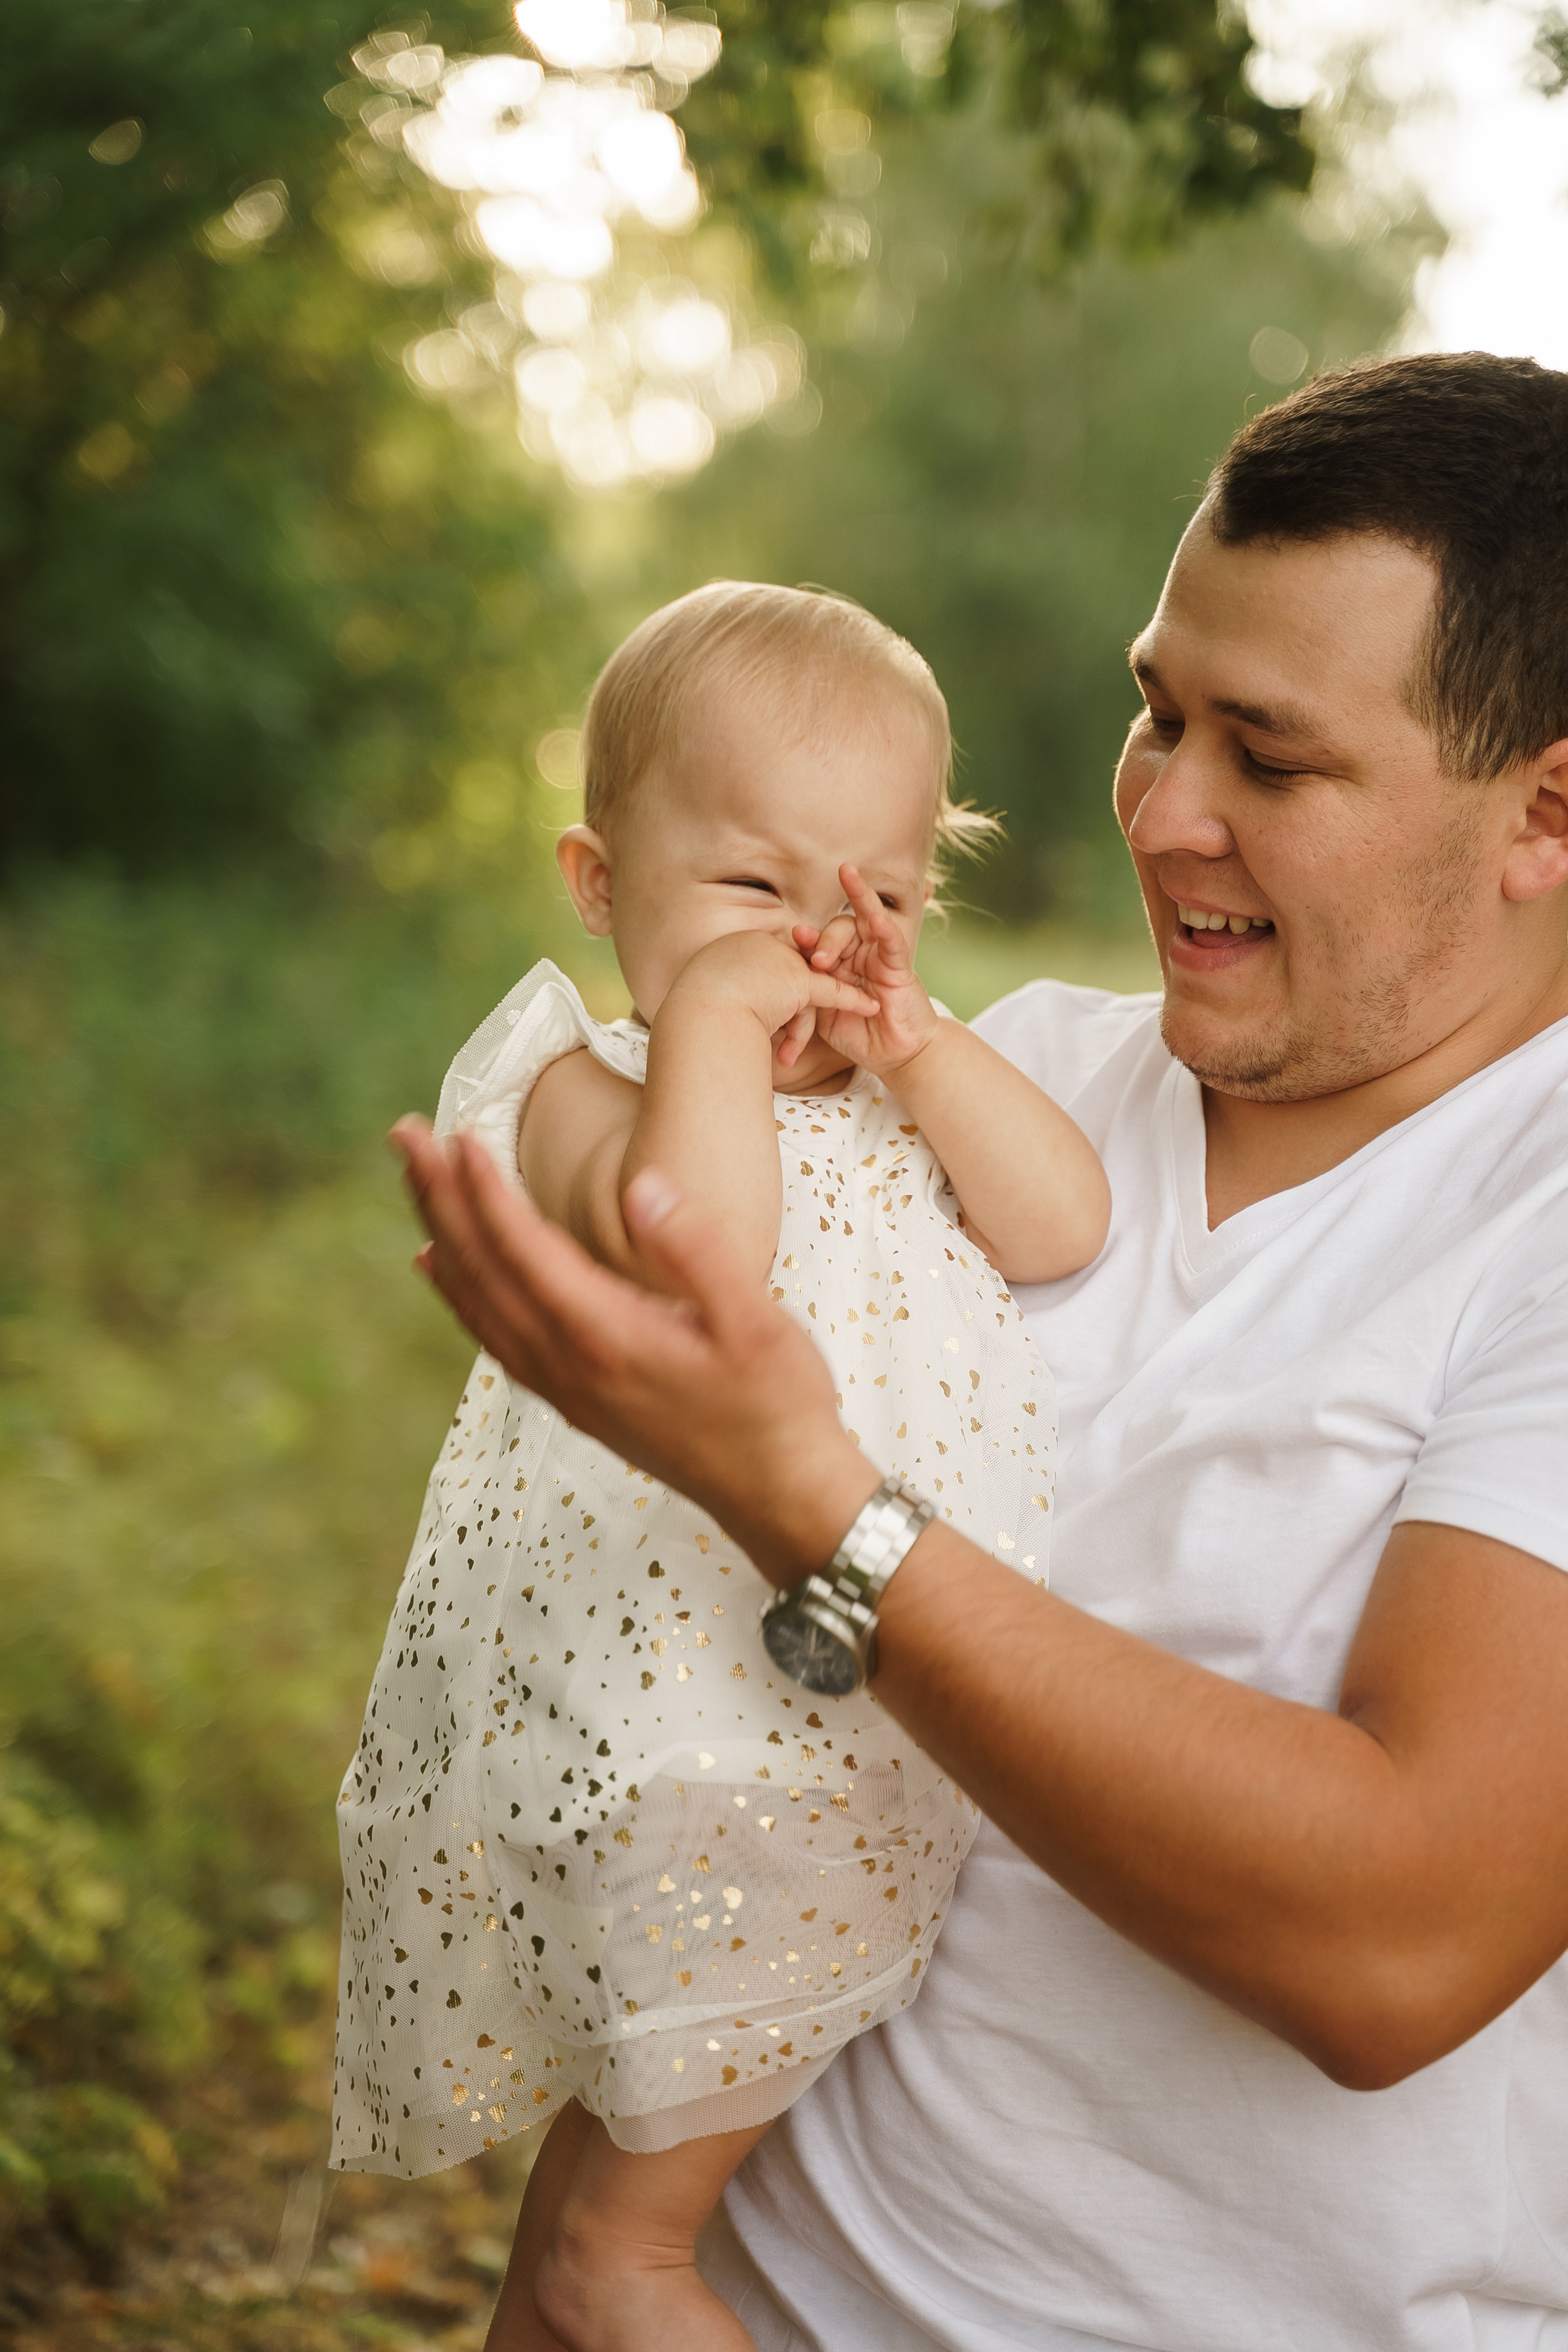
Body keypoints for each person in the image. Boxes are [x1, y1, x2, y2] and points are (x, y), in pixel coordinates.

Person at [394, 353, 1568, 2352]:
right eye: (1153, 712)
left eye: (1268, 762)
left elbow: (1401, 1936)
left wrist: (813, 1507)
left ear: (1548, 811)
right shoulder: (986, 1076)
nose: (1165, 810)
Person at [333, 583, 1109, 2352]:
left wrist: (918, 1042)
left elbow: (1067, 1222)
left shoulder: (897, 1083)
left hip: (852, 1734)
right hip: (670, 1732)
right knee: (624, 2250)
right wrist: (715, 1029)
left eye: (883, 901)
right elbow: (704, 1244)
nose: (821, 947)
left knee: (583, 2237)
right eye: (756, 892)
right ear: (602, 885)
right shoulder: (573, 1092)